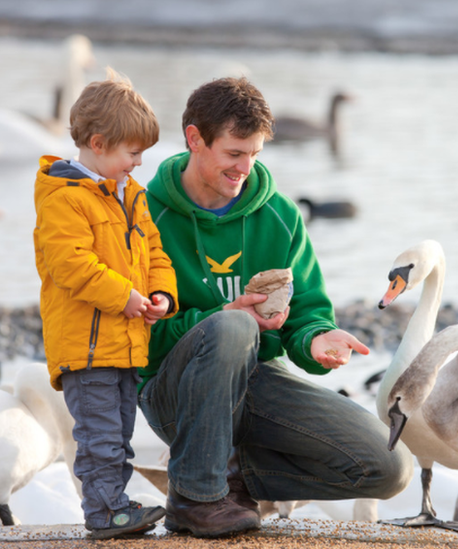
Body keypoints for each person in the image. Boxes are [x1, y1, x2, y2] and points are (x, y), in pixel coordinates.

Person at [138, 77, 413, 538]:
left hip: (257, 382)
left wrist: (316, 338)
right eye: (233, 154)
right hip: (174, 393)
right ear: (194, 139)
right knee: (232, 329)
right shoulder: (145, 216)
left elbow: (306, 312)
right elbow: (135, 338)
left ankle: (230, 477)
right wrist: (224, 319)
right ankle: (196, 497)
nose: (244, 168)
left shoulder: (281, 216)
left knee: (388, 466)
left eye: (255, 155)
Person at [33, 69, 179, 540]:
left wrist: (160, 295)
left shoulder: (131, 196)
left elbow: (156, 253)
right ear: (98, 143)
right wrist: (126, 298)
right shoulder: (64, 199)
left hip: (126, 342)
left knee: (119, 434)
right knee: (98, 438)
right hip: (87, 346)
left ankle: (117, 504)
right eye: (132, 153)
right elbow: (70, 265)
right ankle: (103, 512)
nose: (138, 163)